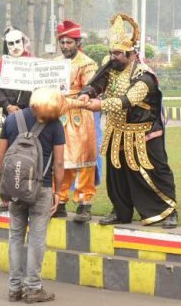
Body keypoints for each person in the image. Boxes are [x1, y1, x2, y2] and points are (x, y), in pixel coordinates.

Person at [79, 13, 177, 228]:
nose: (113, 57)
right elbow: (98, 82)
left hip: (144, 131)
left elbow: (128, 100)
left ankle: (168, 210)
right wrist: (88, 92)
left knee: (153, 172)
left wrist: (100, 105)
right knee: (117, 176)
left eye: (118, 54)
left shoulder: (144, 76)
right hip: (116, 130)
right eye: (111, 52)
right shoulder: (111, 65)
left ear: (131, 54)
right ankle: (120, 210)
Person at [0, 87, 65, 303]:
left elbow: (0, 156)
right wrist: (59, 192)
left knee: (15, 236)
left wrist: (4, 186)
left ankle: (14, 288)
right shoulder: (55, 125)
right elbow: (59, 162)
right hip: (41, 189)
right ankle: (33, 288)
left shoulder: (11, 120)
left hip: (15, 189)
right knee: (37, 237)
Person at [52, 20, 98, 223]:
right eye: (62, 42)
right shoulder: (54, 63)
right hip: (58, 116)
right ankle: (59, 201)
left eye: (69, 42)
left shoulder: (87, 63)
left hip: (80, 116)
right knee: (60, 160)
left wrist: (69, 100)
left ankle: (84, 203)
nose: (65, 47)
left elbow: (90, 89)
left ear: (77, 42)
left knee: (84, 160)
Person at [0, 27, 33, 212]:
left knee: (31, 156)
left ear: (23, 42)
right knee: (7, 157)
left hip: (30, 117)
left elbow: (35, 88)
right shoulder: (0, 64)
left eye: (18, 42)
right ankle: (6, 198)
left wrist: (23, 108)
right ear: (6, 44)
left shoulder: (32, 63)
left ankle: (29, 197)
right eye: (11, 43)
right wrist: (8, 107)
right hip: (10, 117)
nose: (15, 47)